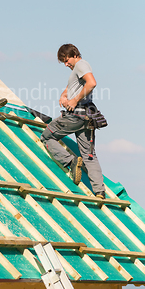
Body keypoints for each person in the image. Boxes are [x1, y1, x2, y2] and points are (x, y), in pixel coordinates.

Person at [40, 44, 106, 199]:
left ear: (74, 54)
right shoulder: (78, 69)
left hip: (75, 115)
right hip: (87, 117)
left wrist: (75, 100)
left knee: (47, 136)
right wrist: (64, 95)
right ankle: (99, 192)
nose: (66, 64)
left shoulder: (81, 65)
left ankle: (71, 162)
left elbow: (92, 83)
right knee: (89, 155)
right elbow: (73, 86)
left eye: (66, 59)